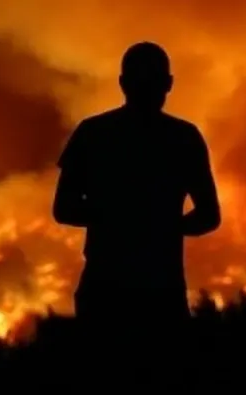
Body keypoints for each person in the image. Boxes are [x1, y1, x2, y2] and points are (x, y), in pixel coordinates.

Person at [53, 41, 221, 334]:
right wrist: (164, 225)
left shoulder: (93, 133)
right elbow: (209, 215)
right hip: (158, 288)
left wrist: (111, 218)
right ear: (169, 84)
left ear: (122, 83)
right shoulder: (183, 137)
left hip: (109, 288)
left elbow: (64, 208)